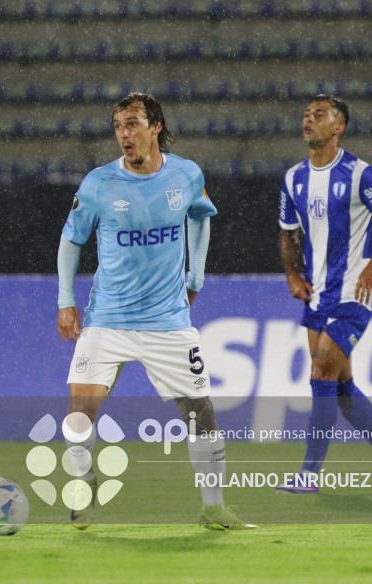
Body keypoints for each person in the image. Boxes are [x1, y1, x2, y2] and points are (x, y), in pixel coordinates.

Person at [57, 92, 256, 530]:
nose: (123, 134)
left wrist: (195, 278)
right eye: (117, 126)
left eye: (132, 124)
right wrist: (65, 299)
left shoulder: (186, 175)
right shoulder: (97, 184)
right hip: (107, 319)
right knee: (78, 413)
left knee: (200, 412)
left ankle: (214, 508)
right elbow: (71, 240)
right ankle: (83, 485)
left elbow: (201, 217)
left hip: (167, 322)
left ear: (155, 127)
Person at [275, 94, 372, 494]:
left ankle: (308, 476)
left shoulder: (359, 174)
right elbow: (288, 232)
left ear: (339, 127)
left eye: (320, 115)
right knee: (340, 387)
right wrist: (291, 274)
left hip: (354, 293)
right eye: (306, 114)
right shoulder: (293, 178)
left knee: (320, 374)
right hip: (317, 297)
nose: (309, 119)